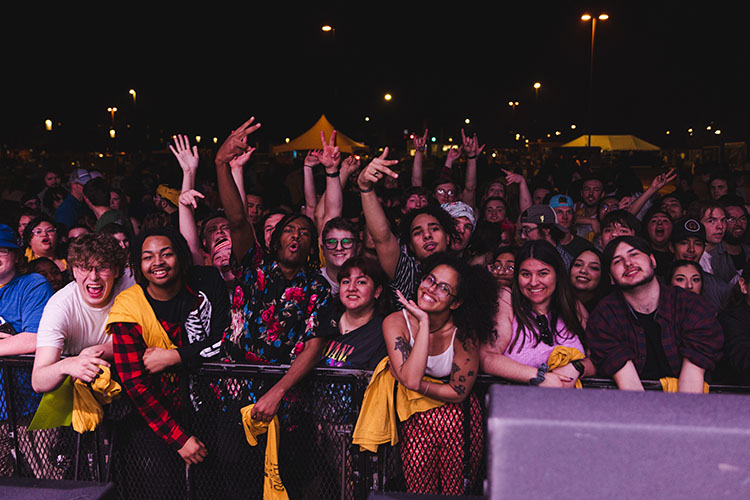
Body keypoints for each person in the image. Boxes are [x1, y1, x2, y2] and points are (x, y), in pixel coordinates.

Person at [214, 117, 333, 424]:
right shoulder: (254, 265)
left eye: (305, 233)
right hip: (234, 390)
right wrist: (221, 164)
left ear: (311, 247)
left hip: (285, 400)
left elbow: (315, 345)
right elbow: (238, 219)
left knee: (282, 472)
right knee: (231, 468)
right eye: (289, 230)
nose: (296, 235)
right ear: (276, 239)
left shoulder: (316, 287)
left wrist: (278, 391)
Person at [106, 226, 229, 498]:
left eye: (166, 254)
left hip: (208, 412)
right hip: (154, 423)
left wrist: (174, 356)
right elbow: (135, 385)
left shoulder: (206, 283)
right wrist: (179, 439)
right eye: (148, 257)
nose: (158, 262)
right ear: (138, 265)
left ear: (181, 256)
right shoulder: (129, 307)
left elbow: (225, 340)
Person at [382, 253, 497, 495]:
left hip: (459, 421)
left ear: (455, 303)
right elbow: (411, 379)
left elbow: (457, 392)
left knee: (456, 493)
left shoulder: (464, 333)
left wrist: (418, 385)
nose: (431, 289)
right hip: (416, 420)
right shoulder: (396, 322)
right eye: (430, 279)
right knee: (419, 493)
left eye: (444, 288)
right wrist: (423, 324)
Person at [586, 236, 723, 392]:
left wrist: (683, 416)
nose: (628, 263)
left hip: (689, 403)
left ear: (653, 261)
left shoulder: (691, 305)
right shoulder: (604, 316)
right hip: (635, 407)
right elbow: (629, 385)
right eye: (617, 261)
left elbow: (693, 378)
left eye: (634, 254)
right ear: (611, 277)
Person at [481, 240, 594, 388]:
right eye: (526, 274)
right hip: (518, 404)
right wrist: (539, 377)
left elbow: (599, 358)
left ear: (557, 274)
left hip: (569, 405)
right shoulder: (506, 299)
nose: (534, 282)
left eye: (543, 273)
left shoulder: (572, 305)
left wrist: (577, 367)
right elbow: (487, 358)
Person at [31, 233, 129, 393]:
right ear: (74, 271)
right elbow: (38, 380)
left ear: (116, 270)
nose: (93, 276)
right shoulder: (60, 306)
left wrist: (99, 350)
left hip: (126, 394)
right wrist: (67, 364)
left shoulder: (130, 286)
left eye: (103, 267)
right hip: (70, 397)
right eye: (84, 267)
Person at [319, 256, 389, 370]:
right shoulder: (325, 317)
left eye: (361, 282)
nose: (351, 288)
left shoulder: (382, 333)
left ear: (377, 291)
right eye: (346, 282)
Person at [0, 224, 54, 355]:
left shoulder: (33, 284)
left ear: (17, 257)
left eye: (2, 250)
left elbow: (35, 339)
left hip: (15, 373)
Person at [669, 217, 731, 310]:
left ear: (703, 248)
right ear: (672, 247)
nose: (691, 249)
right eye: (684, 243)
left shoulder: (719, 288)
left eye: (698, 244)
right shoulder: (658, 285)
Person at [517, 204, 573, 270]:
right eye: (522, 231)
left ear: (546, 230)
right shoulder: (525, 255)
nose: (523, 236)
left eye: (527, 230)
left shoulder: (563, 262)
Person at [319, 217, 360, 295]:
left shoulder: (366, 281)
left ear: (358, 248)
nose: (339, 248)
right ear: (323, 249)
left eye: (346, 241)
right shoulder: (311, 281)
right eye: (331, 242)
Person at [549, 194, 594, 258]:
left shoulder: (584, 246)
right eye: (559, 212)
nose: (565, 217)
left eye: (568, 212)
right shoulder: (545, 244)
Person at [570, 247, 610, 313]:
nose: (583, 270)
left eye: (593, 267)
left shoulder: (608, 308)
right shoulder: (557, 300)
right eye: (578, 264)